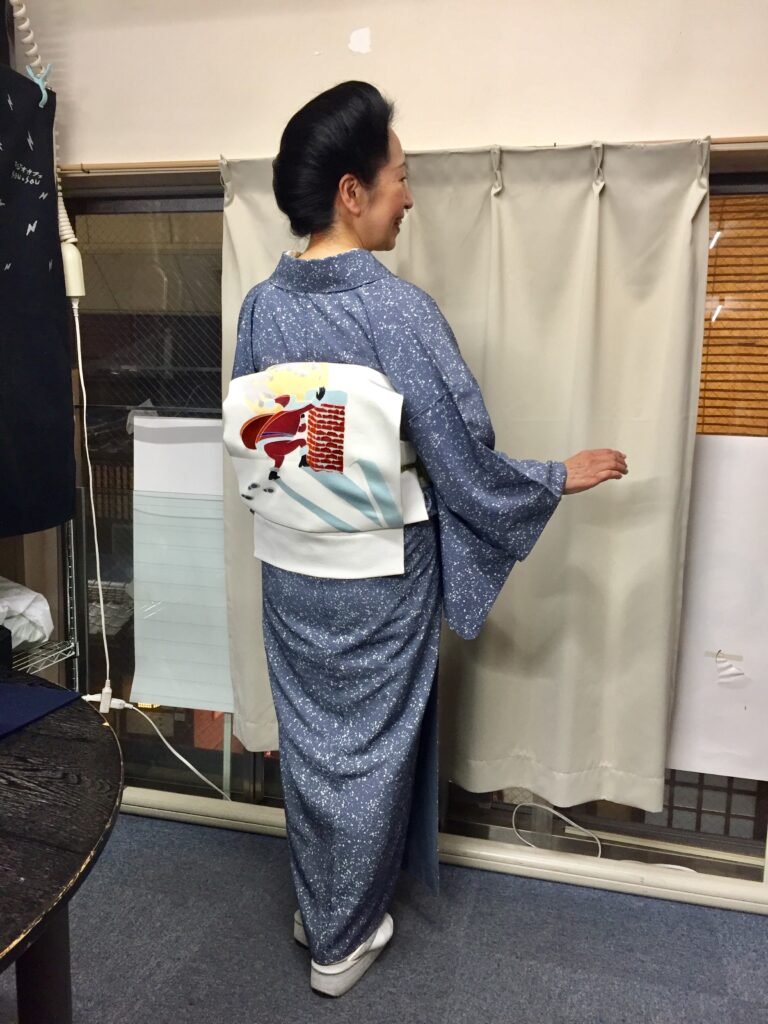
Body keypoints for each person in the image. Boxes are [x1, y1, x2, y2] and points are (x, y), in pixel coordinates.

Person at [227, 80, 628, 997]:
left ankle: (323, 902)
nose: (410, 196)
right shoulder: (396, 311)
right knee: (369, 752)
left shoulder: (260, 307)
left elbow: (257, 439)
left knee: (316, 747)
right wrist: (555, 476)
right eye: (400, 177)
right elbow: (460, 456)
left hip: (292, 565)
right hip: (378, 572)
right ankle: (341, 942)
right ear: (352, 192)